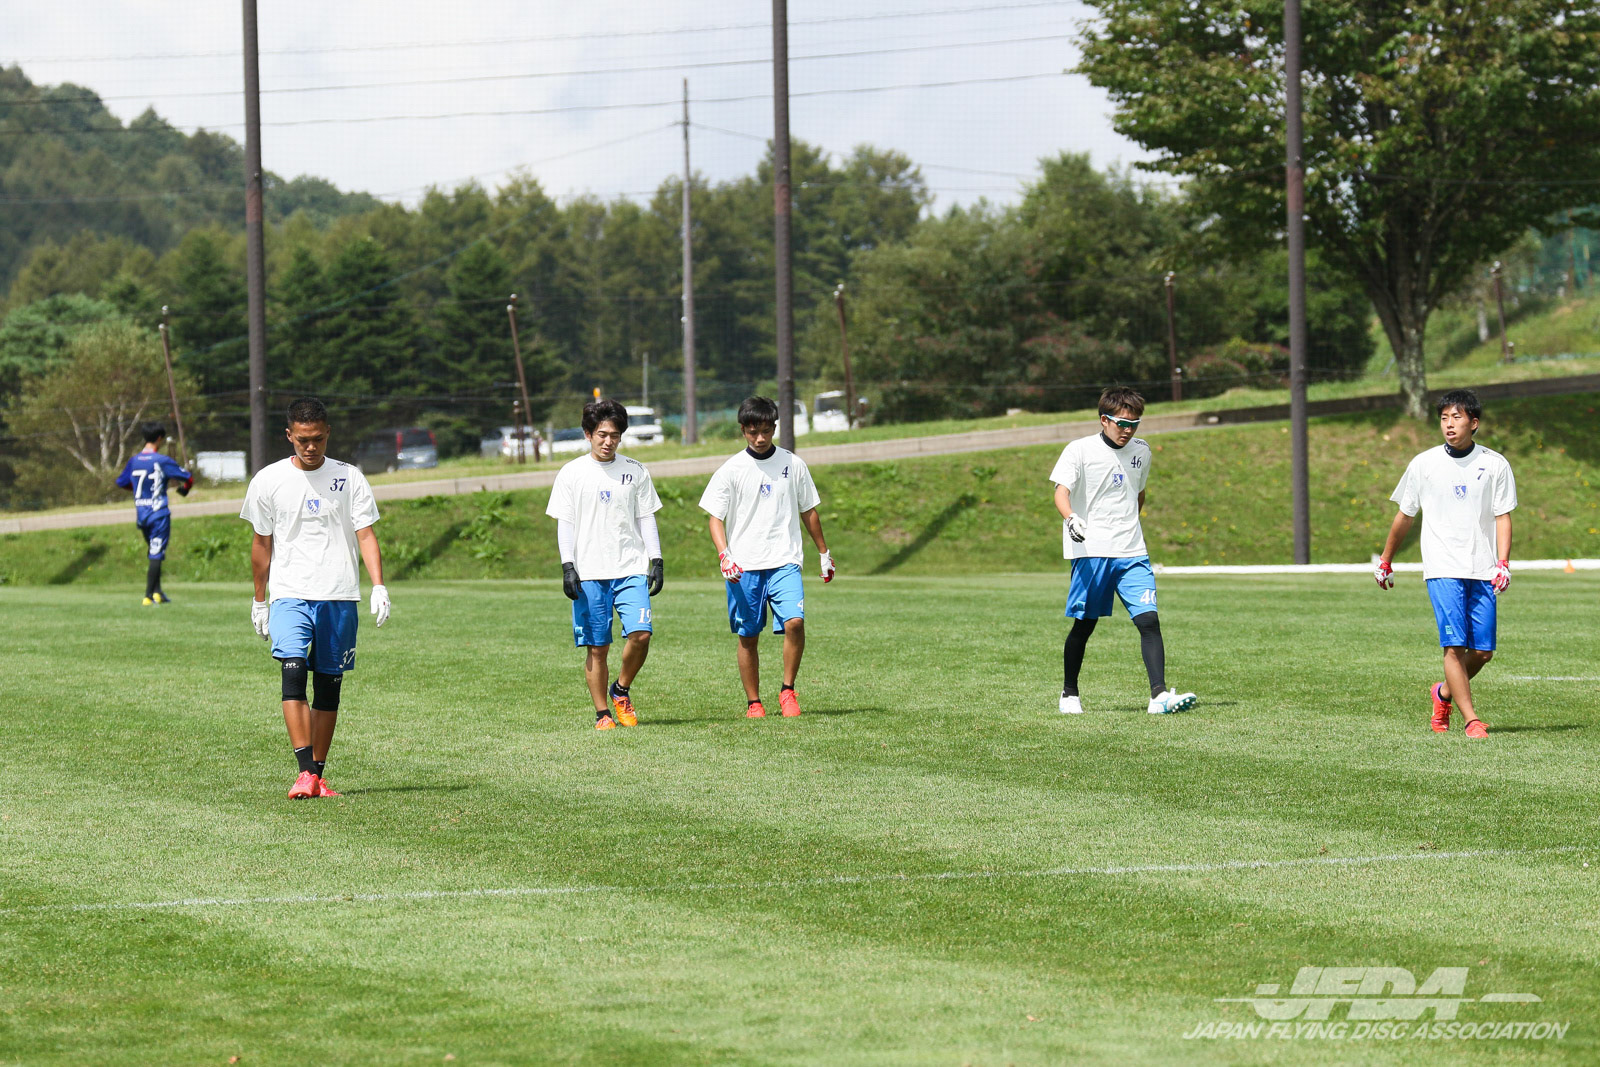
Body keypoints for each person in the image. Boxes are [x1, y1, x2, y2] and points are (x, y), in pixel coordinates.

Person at [240, 397, 390, 799]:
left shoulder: (350, 477)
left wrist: (378, 585)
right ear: (289, 435)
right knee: (292, 671)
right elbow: (261, 544)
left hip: (339, 594)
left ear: (328, 434)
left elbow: (365, 534)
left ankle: (316, 776)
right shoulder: (268, 480)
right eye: (303, 439)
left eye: (319, 439)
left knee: (328, 687)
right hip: (289, 594)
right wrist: (259, 599)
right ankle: (304, 771)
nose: (311, 447)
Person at [1375, 389, 1515, 738]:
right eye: (1444, 418)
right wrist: (1386, 560)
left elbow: (1503, 515)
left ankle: (1443, 693)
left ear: (1474, 423)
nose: (1449, 424)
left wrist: (1503, 562)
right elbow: (1405, 516)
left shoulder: (1495, 464)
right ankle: (1471, 720)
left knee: (1482, 652)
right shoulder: (1424, 464)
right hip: (1442, 567)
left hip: (1482, 568)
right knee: (1454, 646)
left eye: (1456, 417)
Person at [1050, 386, 1197, 715]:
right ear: (1104, 420)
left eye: (1134, 424)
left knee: (1149, 621)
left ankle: (1158, 696)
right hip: (1091, 552)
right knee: (1085, 624)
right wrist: (1071, 518)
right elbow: (1061, 492)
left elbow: (1138, 492)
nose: (1128, 430)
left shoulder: (1142, 451)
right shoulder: (1079, 450)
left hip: (1132, 551)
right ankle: (1069, 693)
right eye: (1122, 423)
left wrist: (1127, 525)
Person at [699, 396, 834, 719]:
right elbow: (715, 518)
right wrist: (724, 555)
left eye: (765, 431)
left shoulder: (793, 464)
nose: (759, 438)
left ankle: (788, 690)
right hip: (744, 567)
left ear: (774, 428)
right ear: (742, 430)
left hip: (785, 561)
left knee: (795, 623)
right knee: (748, 636)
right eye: (752, 432)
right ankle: (754, 702)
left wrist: (824, 553)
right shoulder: (731, 469)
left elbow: (809, 511)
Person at [546, 398, 664, 731]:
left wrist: (656, 559)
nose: (608, 441)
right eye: (602, 434)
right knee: (598, 647)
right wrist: (568, 566)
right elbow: (565, 523)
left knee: (641, 634)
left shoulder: (636, 470)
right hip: (589, 573)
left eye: (614, 435)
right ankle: (603, 714)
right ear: (588, 434)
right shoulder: (571, 473)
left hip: (630, 568)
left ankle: (621, 690)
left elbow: (646, 517)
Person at [114, 422, 193, 605]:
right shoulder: (161, 460)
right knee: (156, 553)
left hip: (142, 514)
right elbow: (188, 478)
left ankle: (158, 592)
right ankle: (148, 596)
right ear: (159, 438)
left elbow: (121, 482)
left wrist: (138, 491)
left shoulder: (134, 461)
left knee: (153, 551)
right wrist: (184, 490)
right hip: (158, 514)